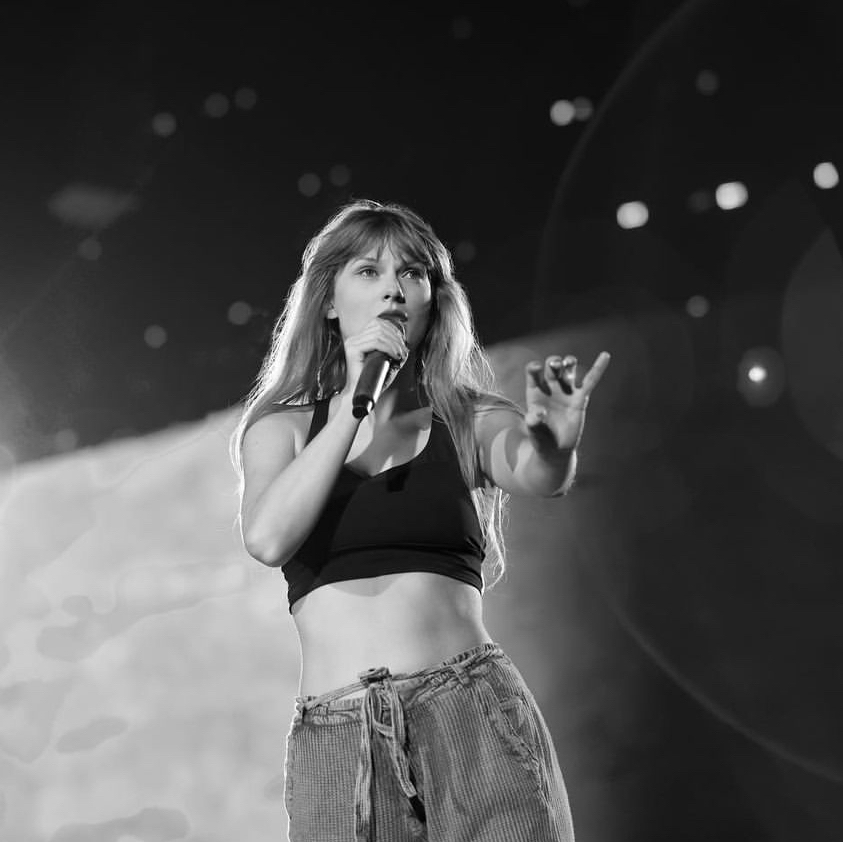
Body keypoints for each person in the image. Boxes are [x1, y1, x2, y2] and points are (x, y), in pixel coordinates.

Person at [229, 199, 609, 842]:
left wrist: (555, 444)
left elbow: (539, 474)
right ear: (329, 301)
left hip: (469, 713)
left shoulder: (465, 417)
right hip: (340, 741)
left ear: (434, 300)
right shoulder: (281, 430)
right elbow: (267, 539)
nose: (393, 290)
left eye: (411, 273)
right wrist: (351, 406)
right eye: (368, 271)